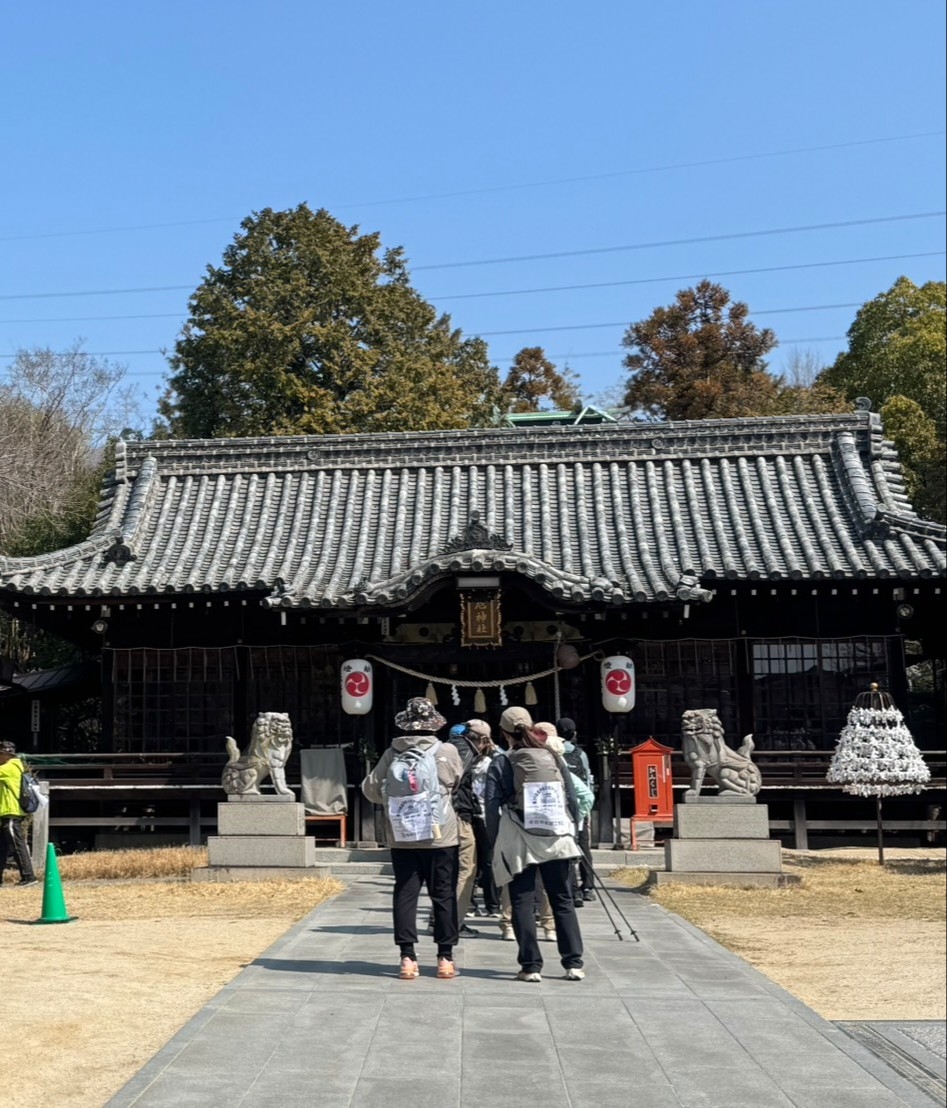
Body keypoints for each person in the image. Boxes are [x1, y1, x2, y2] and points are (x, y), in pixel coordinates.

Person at [361, 697, 464, 980]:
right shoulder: (448, 751)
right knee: (443, 895)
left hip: (402, 835)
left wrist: (390, 798)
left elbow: (369, 789)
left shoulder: (391, 754)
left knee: (405, 894)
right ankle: (445, 958)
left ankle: (407, 957)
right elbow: (457, 781)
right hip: (440, 835)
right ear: (434, 725)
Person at [485, 706, 585, 982]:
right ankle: (573, 962)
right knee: (562, 898)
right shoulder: (553, 756)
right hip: (557, 833)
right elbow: (572, 797)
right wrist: (572, 830)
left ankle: (531, 966)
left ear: (503, 732)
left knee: (522, 901)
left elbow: (491, 804)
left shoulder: (503, 761)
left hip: (520, 835)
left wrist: (495, 842)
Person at [556, 717, 596, 904]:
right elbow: (588, 781)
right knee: (583, 845)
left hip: (561, 808)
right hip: (580, 806)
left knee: (567, 847)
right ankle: (588, 886)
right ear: (574, 734)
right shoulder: (580, 754)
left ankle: (572, 890)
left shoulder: (553, 753)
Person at [465, 719, 501, 917]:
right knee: (483, 861)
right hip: (480, 814)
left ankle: (479, 903)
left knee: (478, 861)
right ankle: (488, 903)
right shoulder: (486, 761)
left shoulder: (484, 762)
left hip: (477, 813)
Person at [0, 740, 39, 887]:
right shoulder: (13, 766)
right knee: (2, 847)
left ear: (5, 755)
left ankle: (29, 876)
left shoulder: (10, 767)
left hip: (12, 812)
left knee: (17, 845)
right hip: (6, 812)